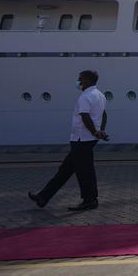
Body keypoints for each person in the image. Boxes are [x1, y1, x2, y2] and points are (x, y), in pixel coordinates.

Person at [28, 70, 108, 211]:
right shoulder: (100, 95)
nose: (78, 81)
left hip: (81, 139)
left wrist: (96, 131)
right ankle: (43, 196)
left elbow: (85, 116)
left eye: (80, 79)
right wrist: (100, 131)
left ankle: (90, 201)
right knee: (65, 169)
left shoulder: (85, 96)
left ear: (88, 80)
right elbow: (104, 115)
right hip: (88, 139)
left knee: (85, 171)